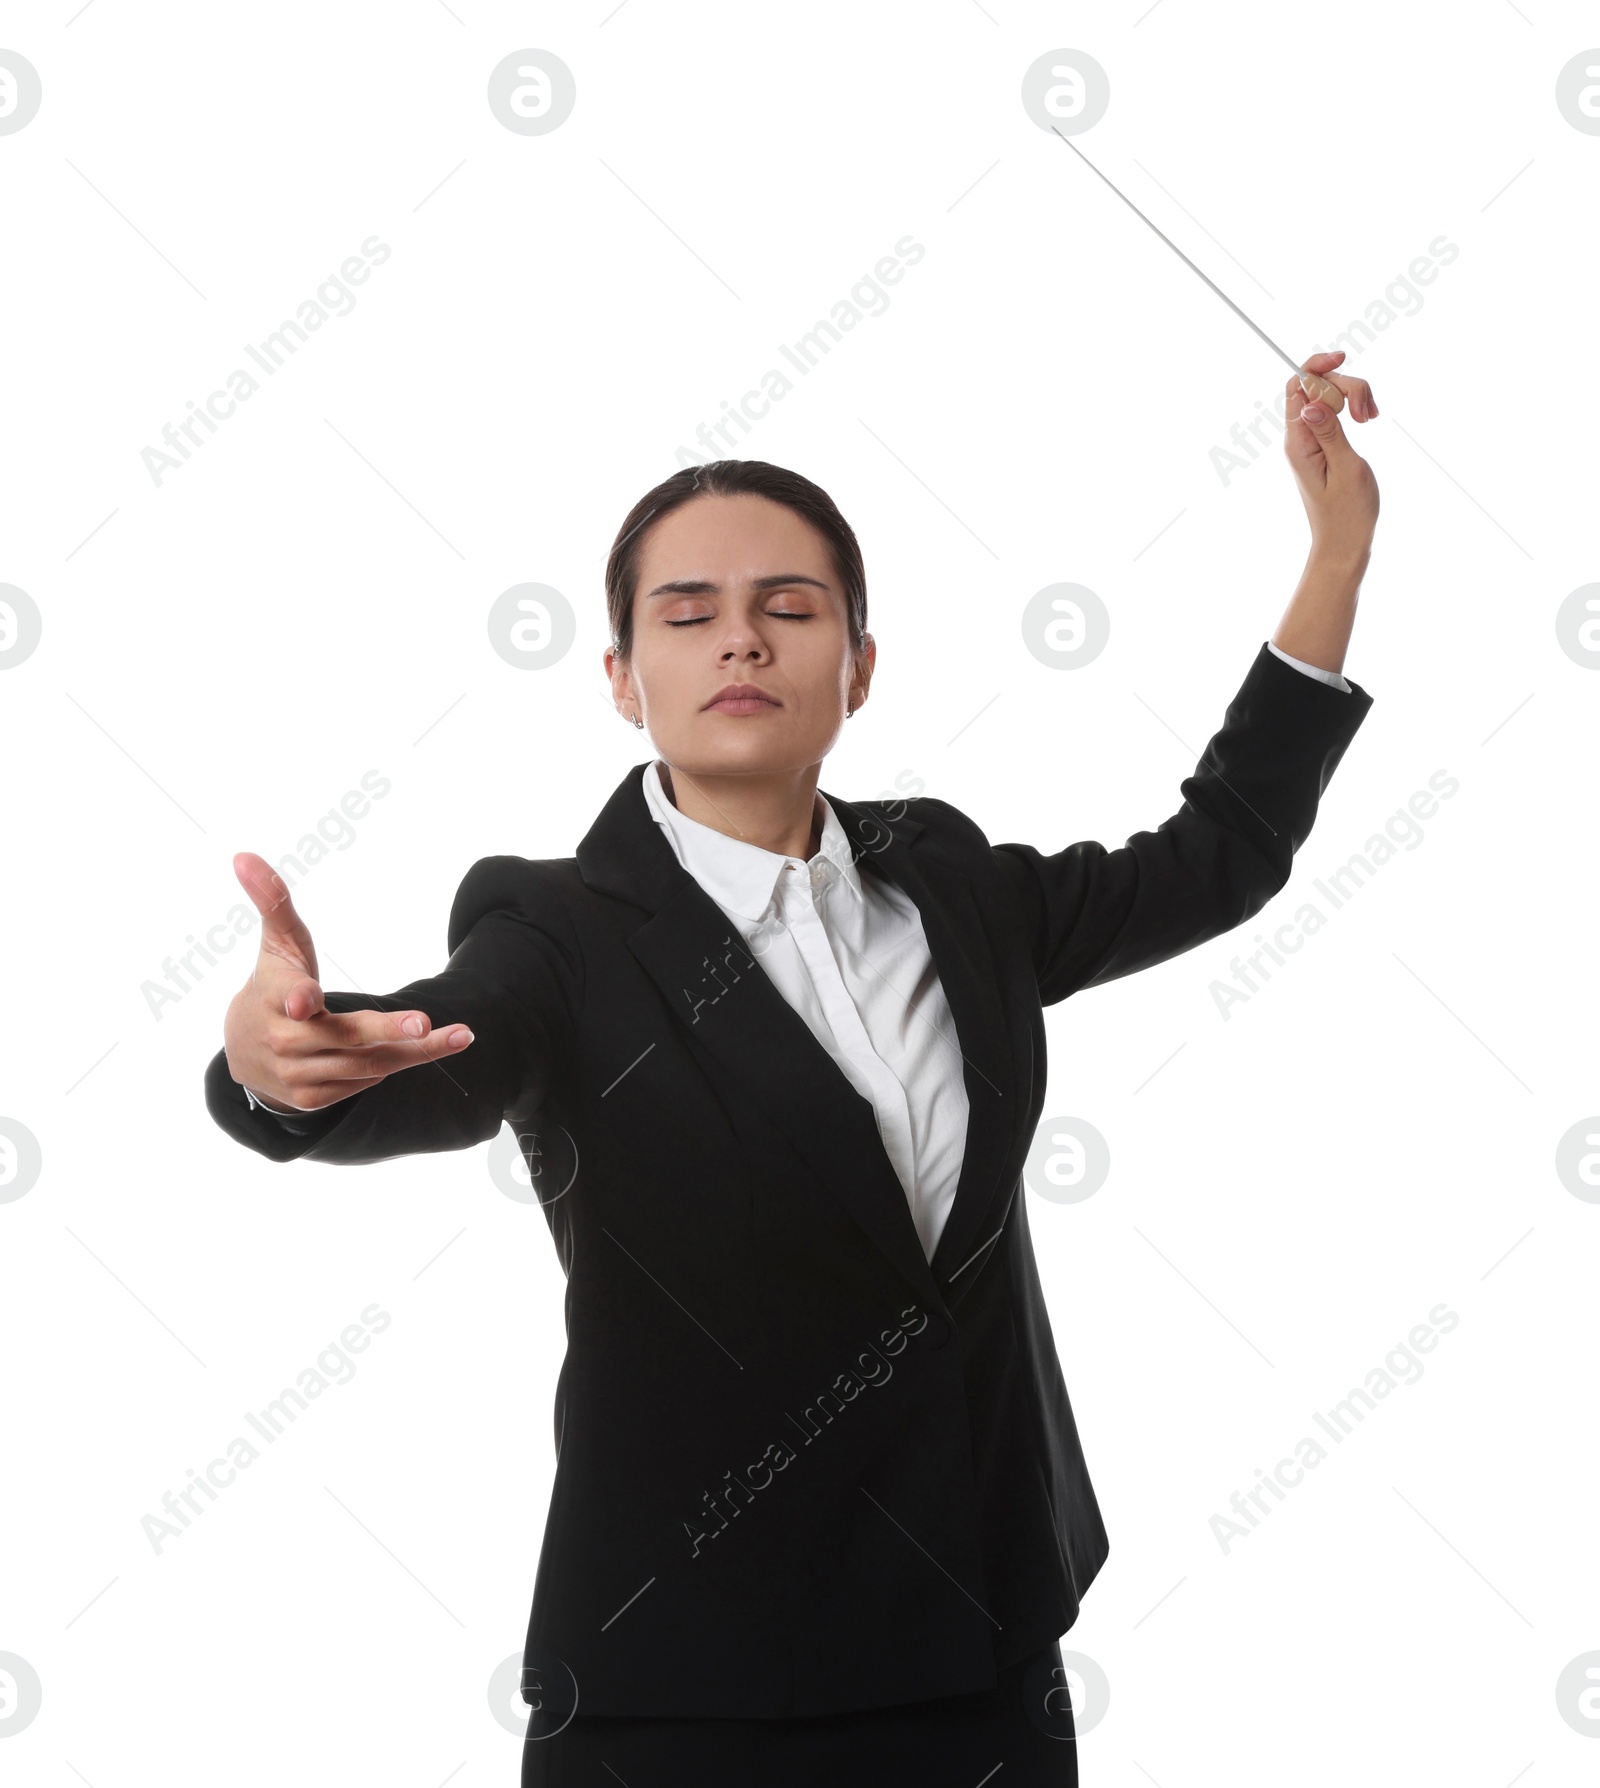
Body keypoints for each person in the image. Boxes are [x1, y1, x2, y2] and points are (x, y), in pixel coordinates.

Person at [204, 352, 1380, 1785]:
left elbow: (1218, 855)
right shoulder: (555, 930)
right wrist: (286, 1067)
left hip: (986, 1650)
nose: (741, 644)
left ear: (859, 667)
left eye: (790, 609)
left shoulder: (950, 882)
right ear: (625, 682)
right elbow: (445, 1049)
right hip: (689, 1686)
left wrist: (1337, 555)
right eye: (687, 617)